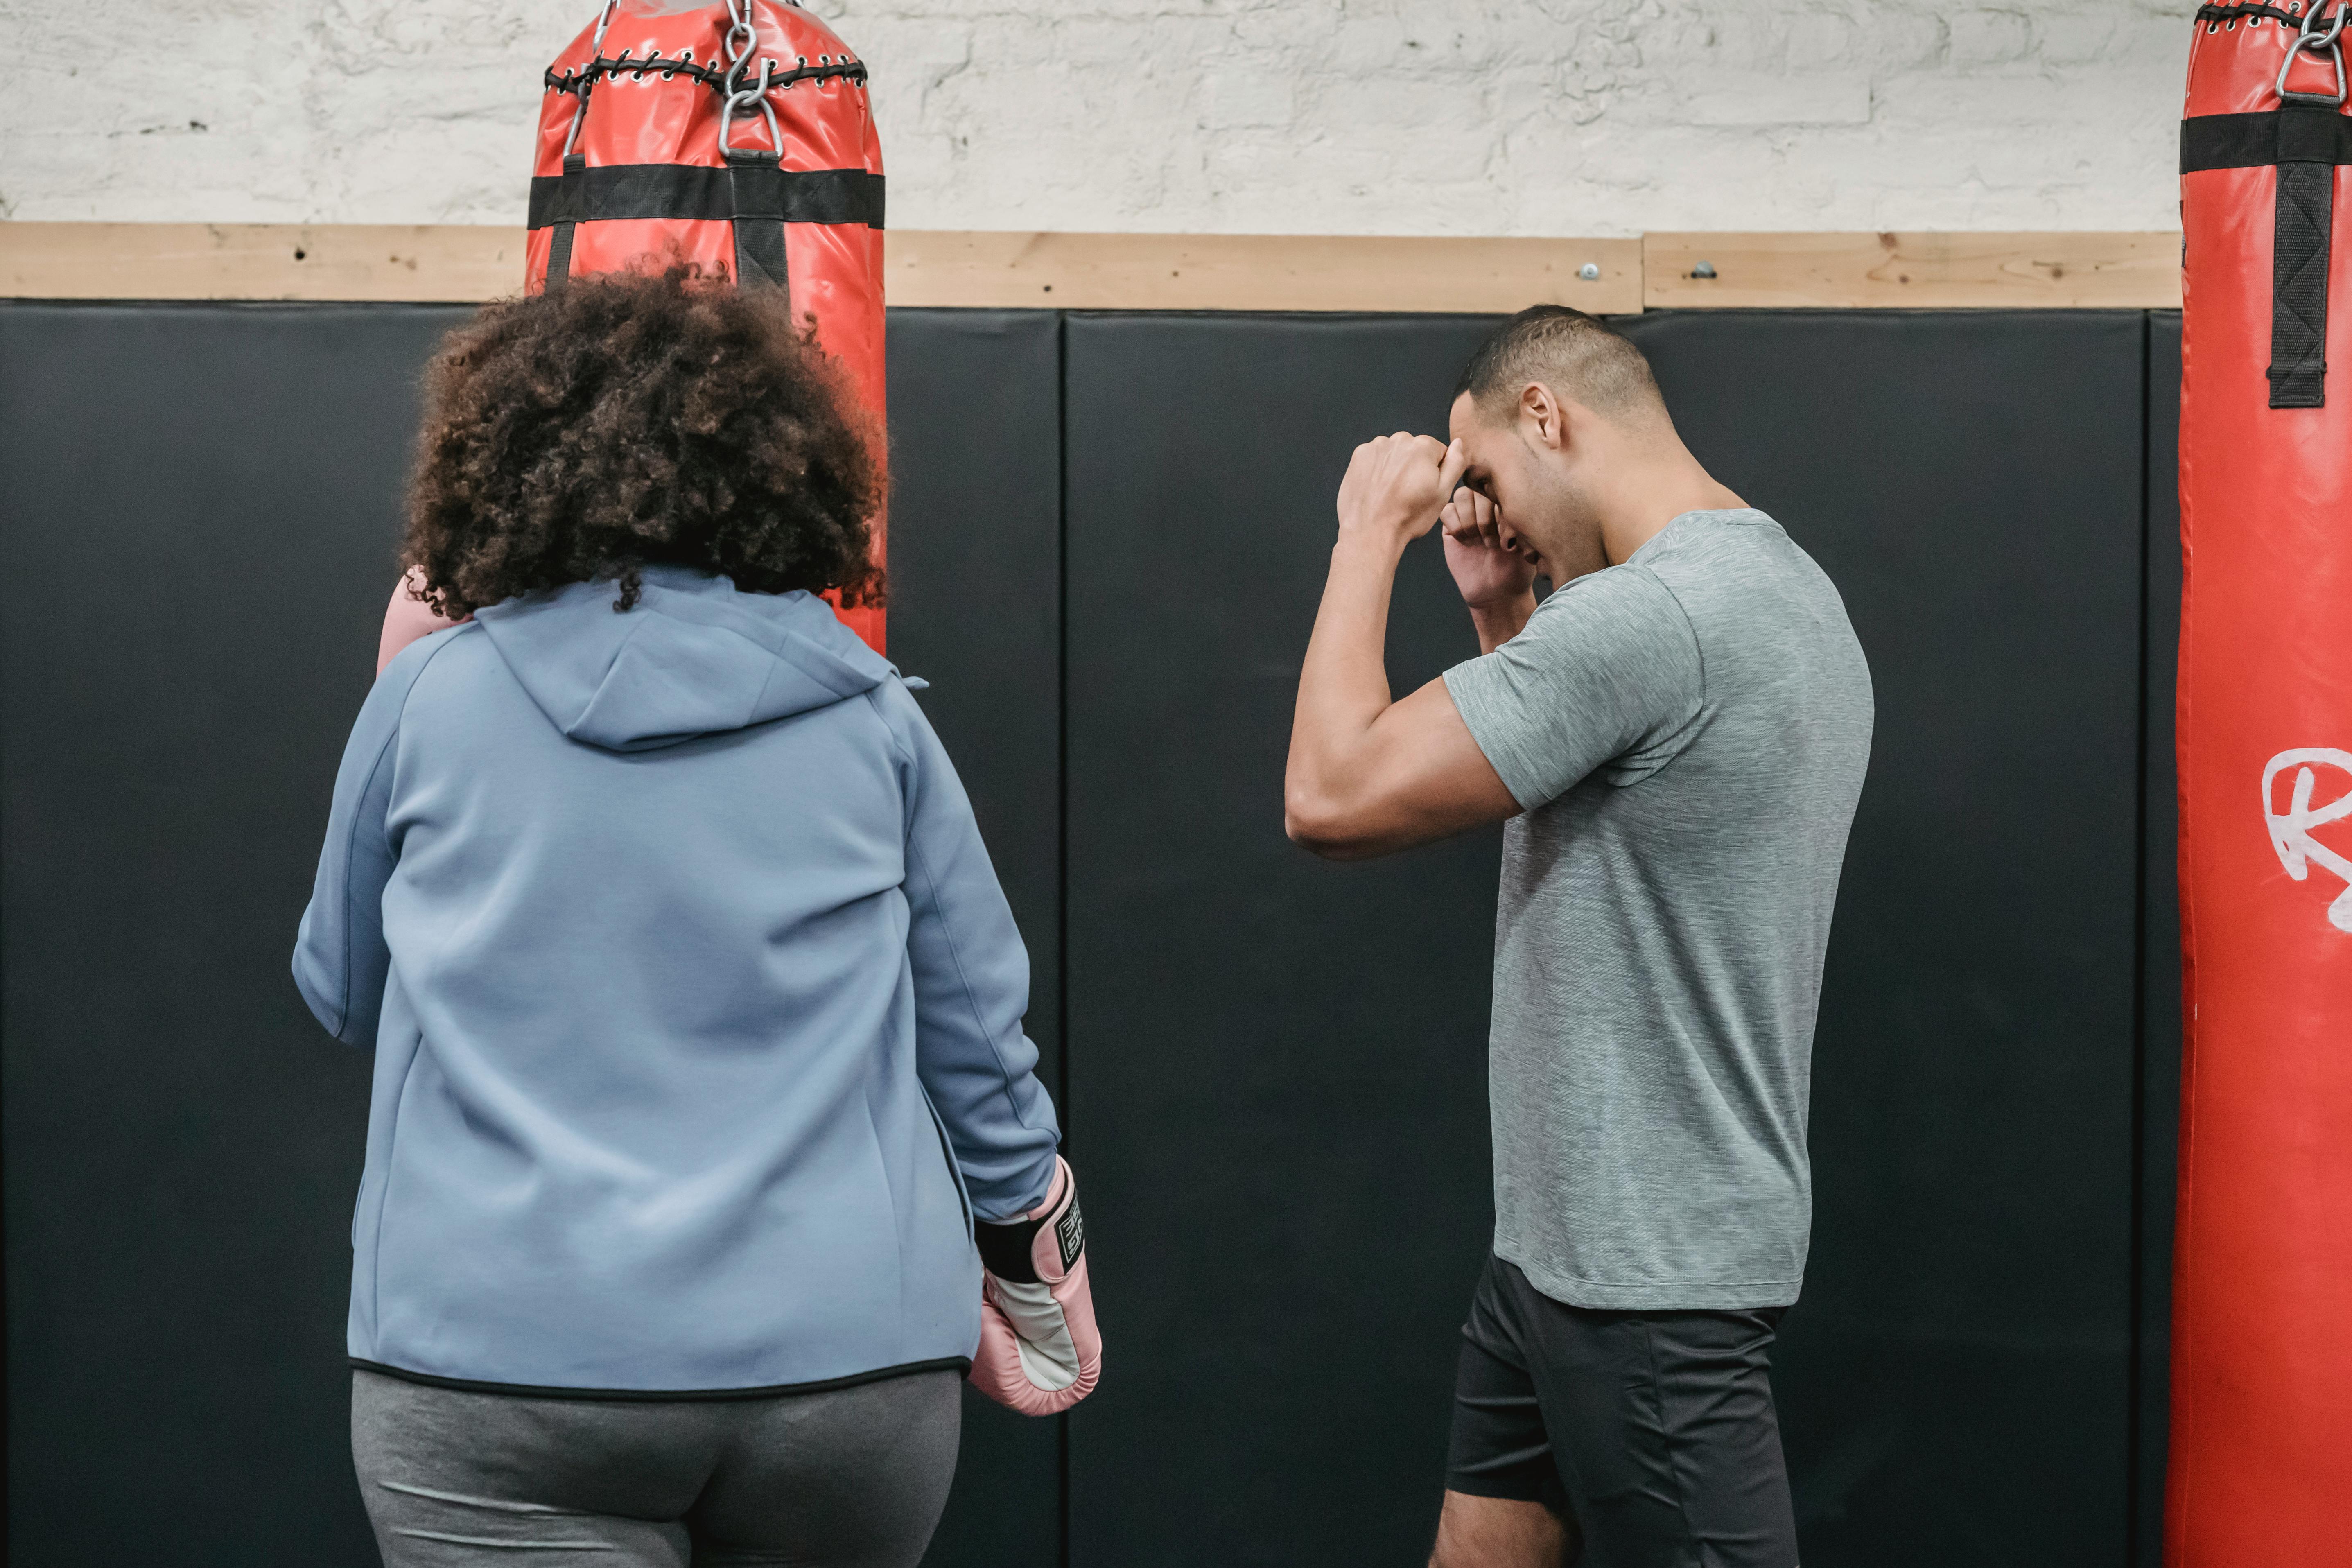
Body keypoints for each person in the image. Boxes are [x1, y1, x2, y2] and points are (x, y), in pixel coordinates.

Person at [294, 269, 1098, 1568]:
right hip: (846, 1370)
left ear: (501, 466)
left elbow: (343, 985)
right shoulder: (875, 716)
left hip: (501, 1361)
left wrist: (396, 677)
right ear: (783, 477)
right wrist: (1035, 1257)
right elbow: (976, 1042)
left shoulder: (430, 695)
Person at [1284, 305, 1873, 1568]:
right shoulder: (1776, 586)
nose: (1485, 512)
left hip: (1646, 1276)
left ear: (1545, 415)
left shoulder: (1650, 621)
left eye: (1486, 472)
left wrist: (1363, 536)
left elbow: (1329, 799)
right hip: (1555, 1255)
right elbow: (1612, 810)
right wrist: (1503, 620)